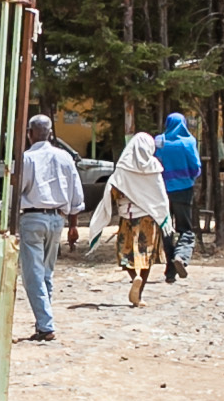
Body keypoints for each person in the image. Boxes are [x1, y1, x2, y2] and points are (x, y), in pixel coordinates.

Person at [83, 130, 175, 306]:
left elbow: (114, 191)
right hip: (149, 219)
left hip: (128, 219)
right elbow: (160, 196)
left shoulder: (123, 168)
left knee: (124, 255)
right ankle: (139, 294)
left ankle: (135, 278)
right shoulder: (154, 168)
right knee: (147, 256)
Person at [14, 113, 85, 342]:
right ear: (51, 133)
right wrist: (73, 226)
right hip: (57, 219)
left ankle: (46, 325)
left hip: (33, 218)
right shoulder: (65, 158)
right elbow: (76, 195)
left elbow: (18, 192)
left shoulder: (27, 159)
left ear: (30, 134)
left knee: (32, 275)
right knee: (46, 273)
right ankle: (42, 323)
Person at [155, 112, 203, 281]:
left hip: (162, 191)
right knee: (186, 230)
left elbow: (154, 163)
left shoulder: (160, 141)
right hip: (183, 190)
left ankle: (170, 270)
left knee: (166, 230)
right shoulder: (188, 142)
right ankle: (181, 257)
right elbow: (196, 167)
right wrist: (188, 177)